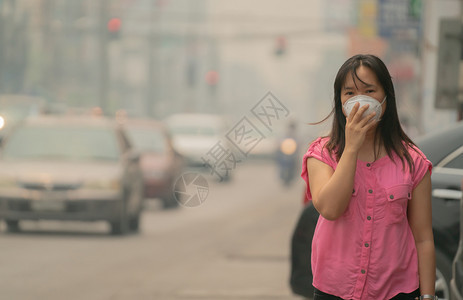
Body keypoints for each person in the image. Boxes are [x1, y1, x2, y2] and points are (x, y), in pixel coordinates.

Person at [301, 54, 436, 300]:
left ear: (386, 97)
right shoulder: (322, 153)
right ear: (339, 100)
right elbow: (330, 208)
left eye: (369, 91)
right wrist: (351, 148)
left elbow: (424, 238)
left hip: (396, 291)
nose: (359, 101)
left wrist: (428, 296)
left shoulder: (413, 161)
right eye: (349, 93)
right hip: (335, 290)